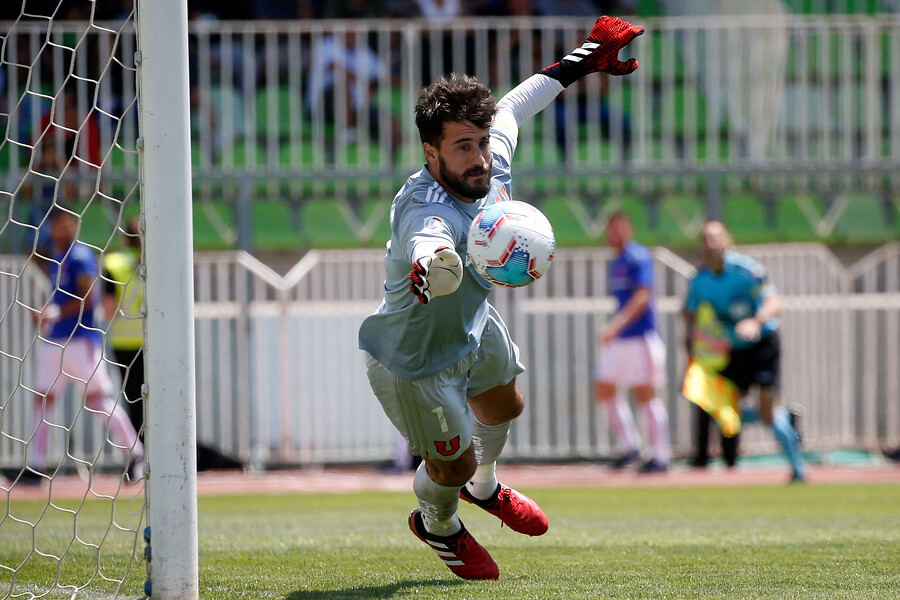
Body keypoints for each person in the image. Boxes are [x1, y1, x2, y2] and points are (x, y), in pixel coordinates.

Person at [358, 16, 644, 580]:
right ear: (431, 153)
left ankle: (485, 489)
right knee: (449, 464)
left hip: (472, 321)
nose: (480, 156)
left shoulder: (490, 164)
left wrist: (584, 58)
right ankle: (437, 525)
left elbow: (515, 105)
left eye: (482, 142)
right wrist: (430, 267)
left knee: (505, 406)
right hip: (414, 356)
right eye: (463, 146)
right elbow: (426, 241)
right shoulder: (424, 206)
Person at [23, 208, 144, 486]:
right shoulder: (58, 256)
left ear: (73, 224)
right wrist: (49, 316)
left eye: (64, 224)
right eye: (54, 225)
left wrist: (50, 313)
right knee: (42, 399)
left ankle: (137, 455)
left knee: (98, 401)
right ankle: (36, 466)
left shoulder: (79, 256)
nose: (59, 230)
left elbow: (87, 299)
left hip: (81, 340)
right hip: (57, 340)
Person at [683, 219, 806, 483]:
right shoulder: (700, 280)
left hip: (761, 344)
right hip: (729, 350)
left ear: (728, 240)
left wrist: (756, 321)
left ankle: (798, 470)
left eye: (716, 237)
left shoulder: (747, 271)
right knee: (725, 409)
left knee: (764, 409)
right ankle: (783, 417)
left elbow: (774, 302)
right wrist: (699, 339)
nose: (711, 243)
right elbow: (690, 314)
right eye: (705, 239)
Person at [594, 212, 670, 473]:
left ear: (628, 229)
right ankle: (631, 448)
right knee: (604, 389)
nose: (615, 235)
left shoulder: (637, 256)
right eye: (611, 230)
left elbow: (642, 297)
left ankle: (661, 457)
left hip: (640, 337)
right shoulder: (617, 261)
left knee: (645, 395)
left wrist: (613, 326)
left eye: (619, 229)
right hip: (622, 339)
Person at [102, 216, 145, 440]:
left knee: (134, 401)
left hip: (124, 341)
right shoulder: (155, 258)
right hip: (152, 342)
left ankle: (138, 455)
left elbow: (109, 309)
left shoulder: (113, 263)